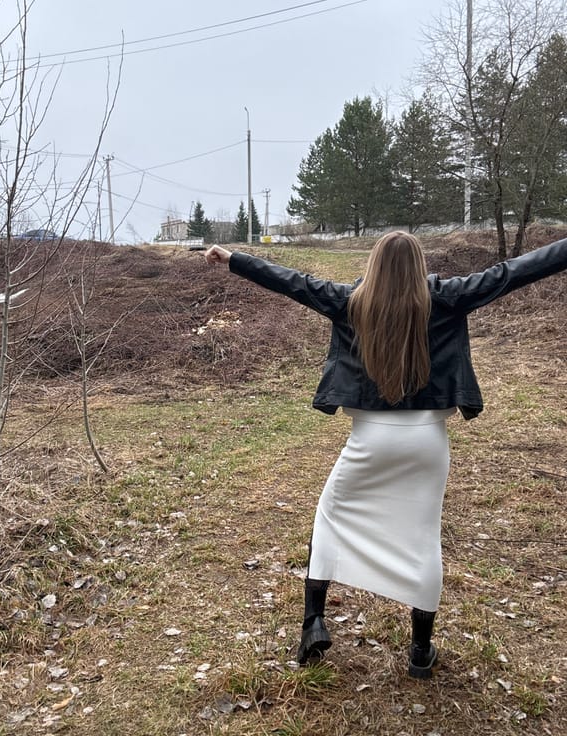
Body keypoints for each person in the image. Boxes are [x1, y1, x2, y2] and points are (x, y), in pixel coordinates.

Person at [205, 232, 567, 679]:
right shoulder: (448, 297)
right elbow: (514, 271)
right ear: (418, 265)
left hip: (369, 440)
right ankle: (420, 652)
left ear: (374, 264)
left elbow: (293, 282)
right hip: (428, 442)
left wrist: (234, 258)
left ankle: (312, 623)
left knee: (329, 519)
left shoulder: (349, 301)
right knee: (422, 537)